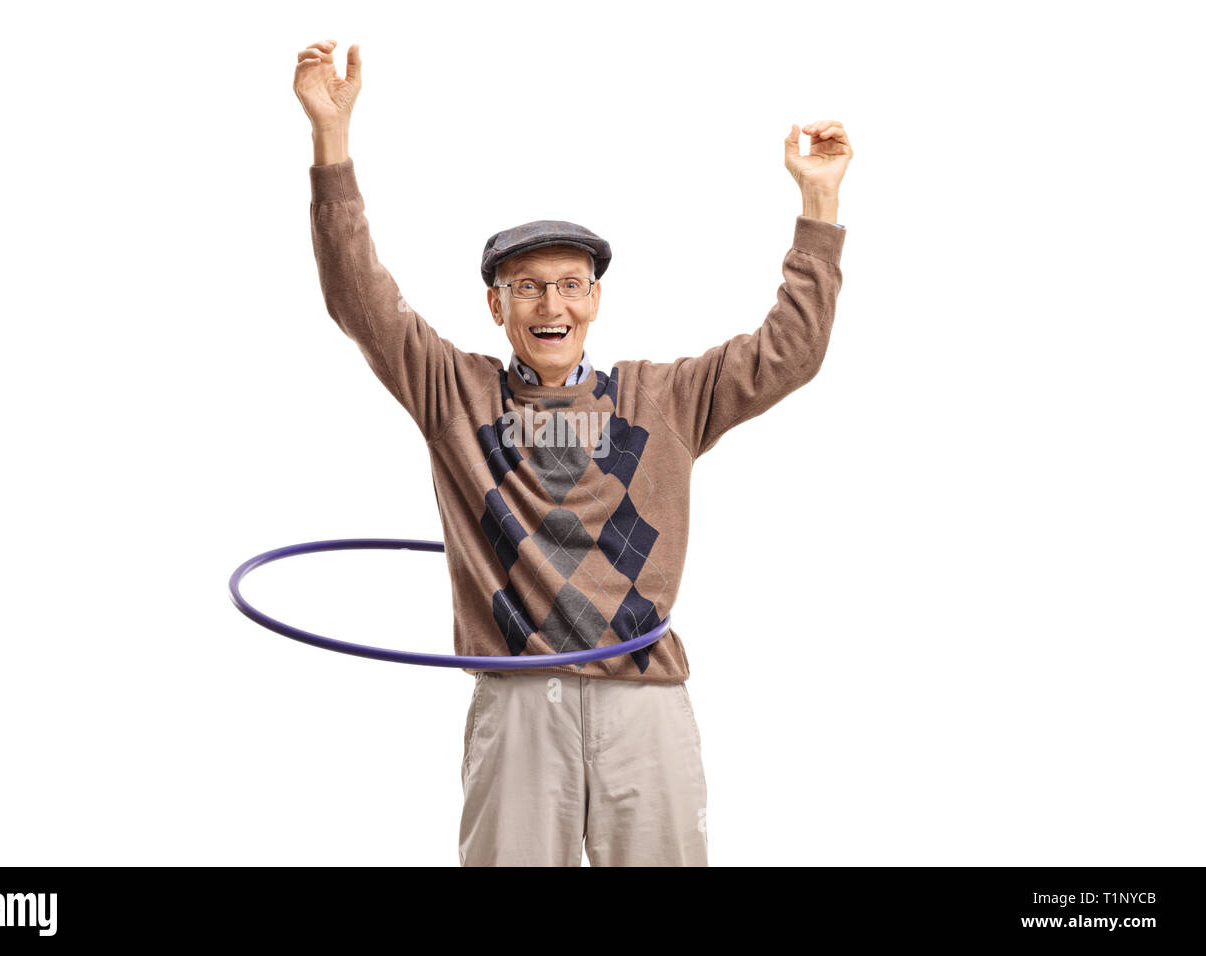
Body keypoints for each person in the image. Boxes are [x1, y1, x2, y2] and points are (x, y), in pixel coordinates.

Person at [293, 38, 851, 867]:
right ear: (496, 304)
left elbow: (791, 351)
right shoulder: (456, 393)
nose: (550, 303)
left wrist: (818, 207)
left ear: (594, 299)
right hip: (519, 706)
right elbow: (358, 297)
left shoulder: (663, 398)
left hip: (643, 704)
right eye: (526, 286)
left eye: (569, 284)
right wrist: (331, 140)